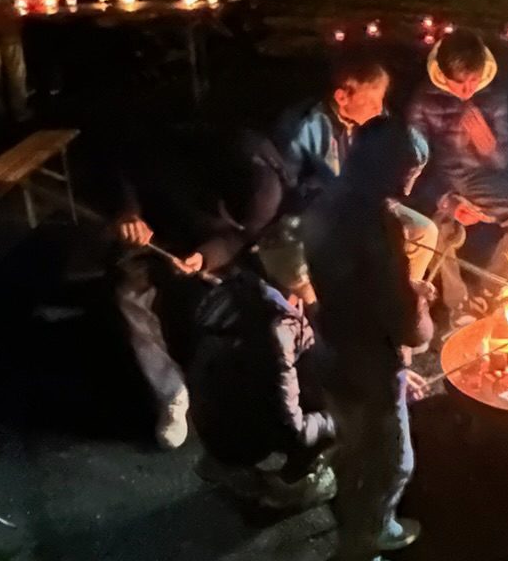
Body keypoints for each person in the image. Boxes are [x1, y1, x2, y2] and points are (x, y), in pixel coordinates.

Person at [303, 118, 434, 561]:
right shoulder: (380, 225)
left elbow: (350, 282)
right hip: (371, 363)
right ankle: (371, 536)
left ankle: (349, 521)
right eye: (411, 170)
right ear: (390, 167)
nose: (413, 181)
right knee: (392, 461)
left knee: (354, 446)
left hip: (331, 345)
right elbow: (403, 321)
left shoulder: (327, 201)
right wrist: (419, 306)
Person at [112, 128, 290, 449]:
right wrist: (130, 213)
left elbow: (240, 238)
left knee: (259, 299)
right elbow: (125, 166)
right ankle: (171, 392)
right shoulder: (181, 157)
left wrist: (204, 256)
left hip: (213, 245)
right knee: (130, 295)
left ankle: (256, 390)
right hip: (161, 232)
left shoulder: (268, 189)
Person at [407, 31, 508, 313]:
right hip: (441, 181)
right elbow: (414, 166)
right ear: (443, 75)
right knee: (438, 230)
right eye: (460, 83)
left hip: (481, 180)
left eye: (474, 80)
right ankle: (459, 306)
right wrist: (447, 200)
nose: (468, 90)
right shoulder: (423, 101)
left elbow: (502, 162)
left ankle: (487, 295)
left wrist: (489, 147)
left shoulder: (493, 96)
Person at [274, 57, 439, 281]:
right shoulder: (307, 128)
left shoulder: (374, 120)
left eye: (381, 101)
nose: (379, 109)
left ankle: (406, 294)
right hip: (320, 213)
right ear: (342, 97)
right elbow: (291, 188)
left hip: (363, 206)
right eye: (371, 102)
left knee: (423, 231)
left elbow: (416, 152)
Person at [185, 271, 336, 510]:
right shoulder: (277, 336)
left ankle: (219, 460)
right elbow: (292, 426)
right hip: (236, 432)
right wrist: (333, 421)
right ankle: (289, 487)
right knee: (340, 410)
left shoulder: (240, 292)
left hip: (209, 414)